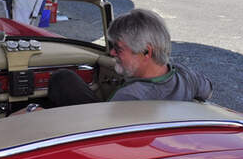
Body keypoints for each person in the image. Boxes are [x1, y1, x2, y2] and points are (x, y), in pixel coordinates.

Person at [46, 8, 213, 107]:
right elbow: (208, 90)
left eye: (118, 49)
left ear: (146, 52)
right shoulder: (186, 75)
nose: (112, 53)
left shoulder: (131, 96)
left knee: (62, 79)